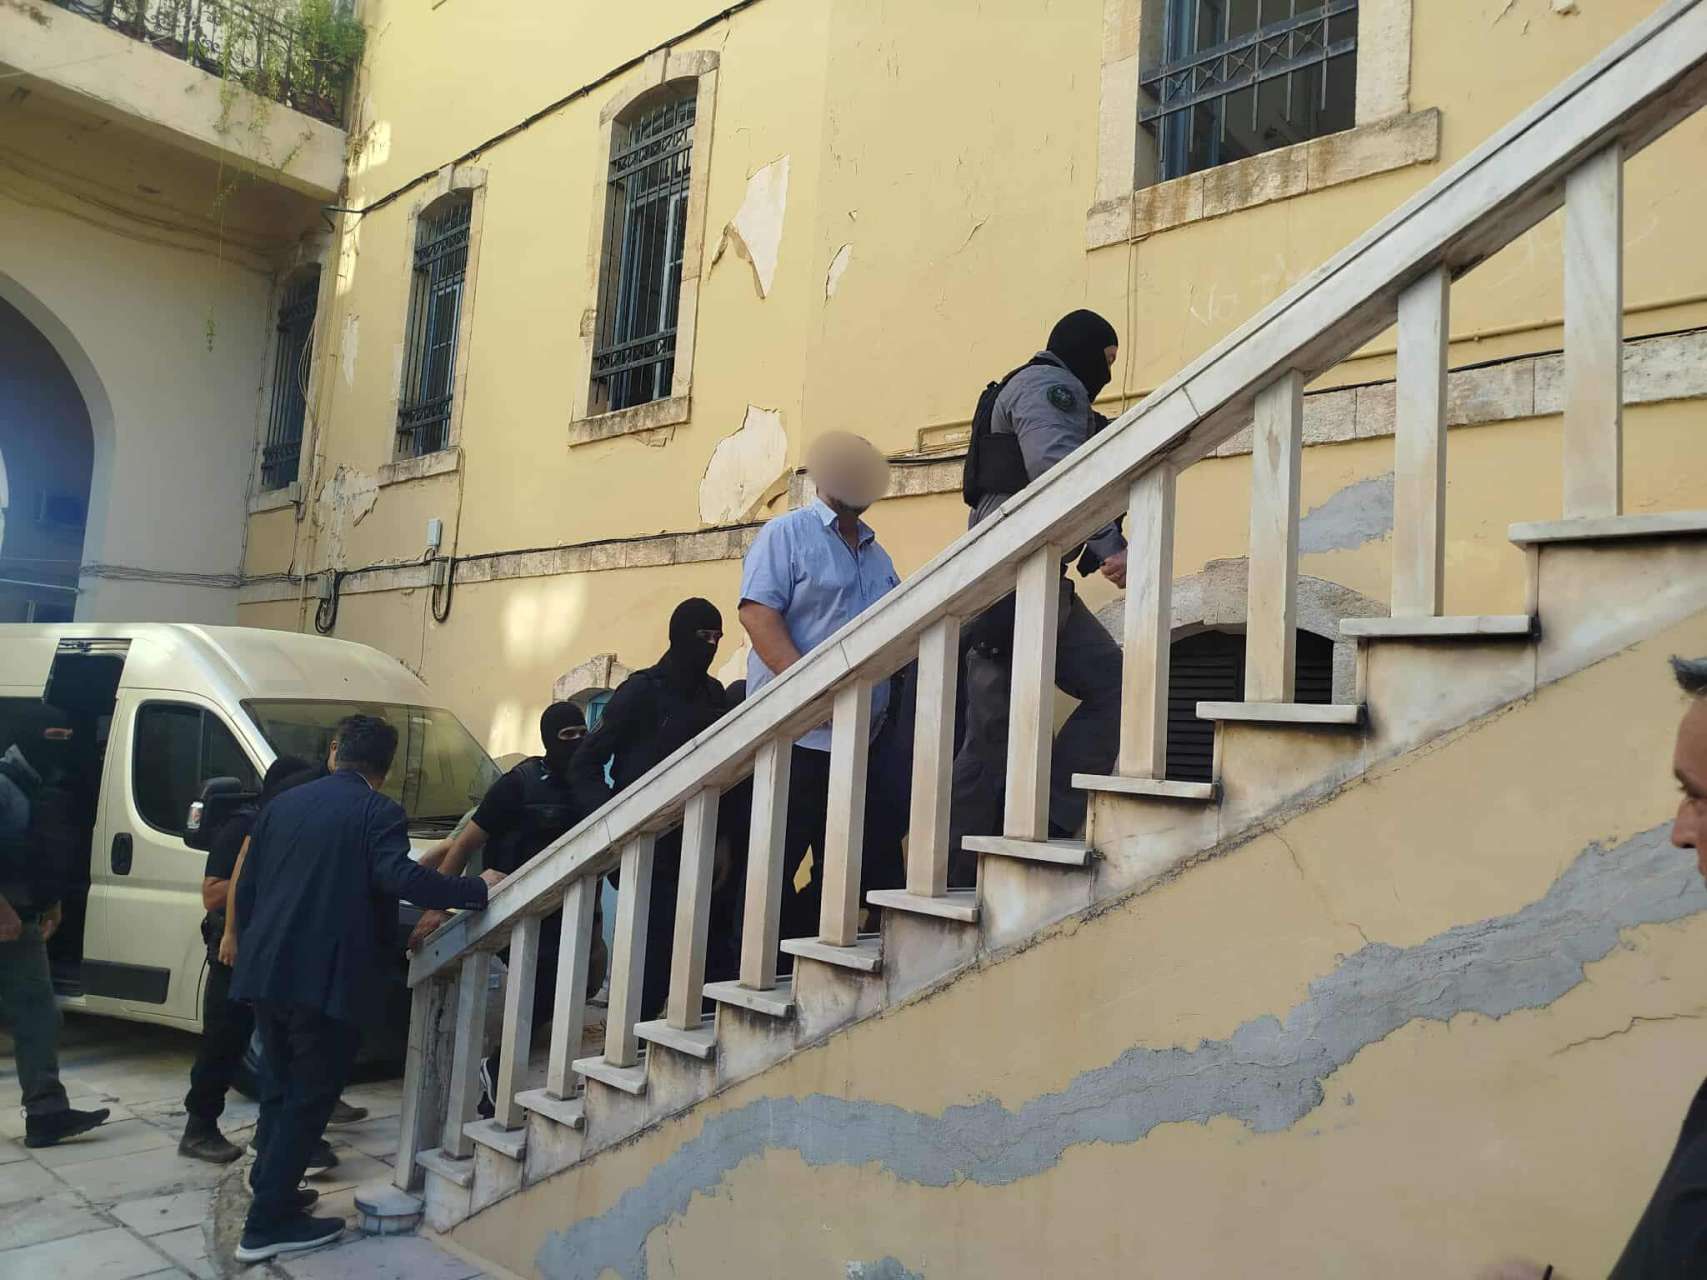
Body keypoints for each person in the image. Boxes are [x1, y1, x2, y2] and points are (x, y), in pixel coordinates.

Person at [229, 714, 503, 1263]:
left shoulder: (284, 804)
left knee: (280, 1087)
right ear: (387, 766)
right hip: (323, 978)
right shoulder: (378, 810)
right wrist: (475, 887)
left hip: (267, 969)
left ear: (335, 750)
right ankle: (265, 1226)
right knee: (311, 1094)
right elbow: (397, 878)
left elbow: (252, 884)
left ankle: (272, 1190)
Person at [949, 309, 1129, 882]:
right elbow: (1058, 474)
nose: (1107, 373)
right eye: (1106, 360)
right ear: (1084, 350)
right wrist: (1109, 545)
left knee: (1114, 683)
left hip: (1044, 581)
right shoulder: (1052, 386)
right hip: (1007, 584)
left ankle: (1050, 820)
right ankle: (957, 875)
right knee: (992, 740)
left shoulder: (1052, 391)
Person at [737, 431, 906, 948]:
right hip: (798, 742)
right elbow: (758, 615)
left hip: (860, 745)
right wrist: (814, 693)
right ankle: (746, 969)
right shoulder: (786, 534)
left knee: (856, 872)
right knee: (772, 871)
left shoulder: (878, 558)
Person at [409, 701, 596, 1116]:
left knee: (554, 997)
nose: (578, 742)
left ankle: (496, 1078)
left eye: (583, 734)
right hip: (515, 911)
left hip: (568, 909)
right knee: (526, 996)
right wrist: (437, 906)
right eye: (568, 736)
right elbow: (463, 844)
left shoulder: (587, 782)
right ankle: (493, 1076)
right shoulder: (519, 784)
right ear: (549, 740)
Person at [178, 757, 366, 1165]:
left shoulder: (297, 824)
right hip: (235, 951)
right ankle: (199, 1128)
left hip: (278, 949)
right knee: (225, 1041)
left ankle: (282, 1132)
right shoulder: (243, 827)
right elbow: (212, 893)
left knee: (289, 1046)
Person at [570, 598, 731, 1021]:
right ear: (680, 636)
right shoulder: (641, 691)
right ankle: (629, 1042)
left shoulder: (713, 694)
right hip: (645, 848)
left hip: (697, 841)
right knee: (648, 966)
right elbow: (585, 762)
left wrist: (723, 840)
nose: (712, 645)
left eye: (718, 637)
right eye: (703, 636)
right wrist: (614, 822)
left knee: (701, 958)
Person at [0, 721, 109, 1149]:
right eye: (53, 738)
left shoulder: (34, 783)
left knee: (39, 1016)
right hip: (9, 919)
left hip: (22, 921)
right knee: (37, 1015)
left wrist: (51, 901)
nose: (61, 749)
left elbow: (36, 852)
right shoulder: (4, 786)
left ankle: (46, 1113)